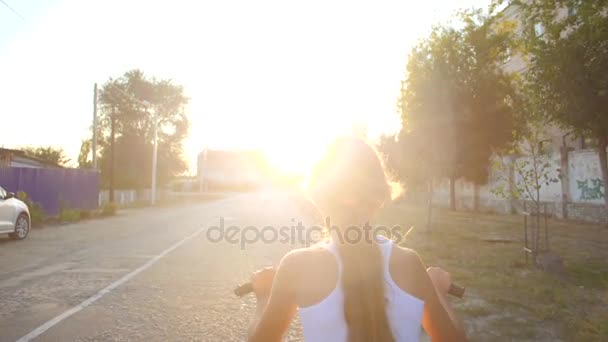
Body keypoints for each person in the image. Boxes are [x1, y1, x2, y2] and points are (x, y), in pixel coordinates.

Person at [247, 137, 467, 342]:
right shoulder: (410, 265)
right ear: (380, 194)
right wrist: (438, 292)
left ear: (318, 194)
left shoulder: (297, 267)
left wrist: (265, 295)